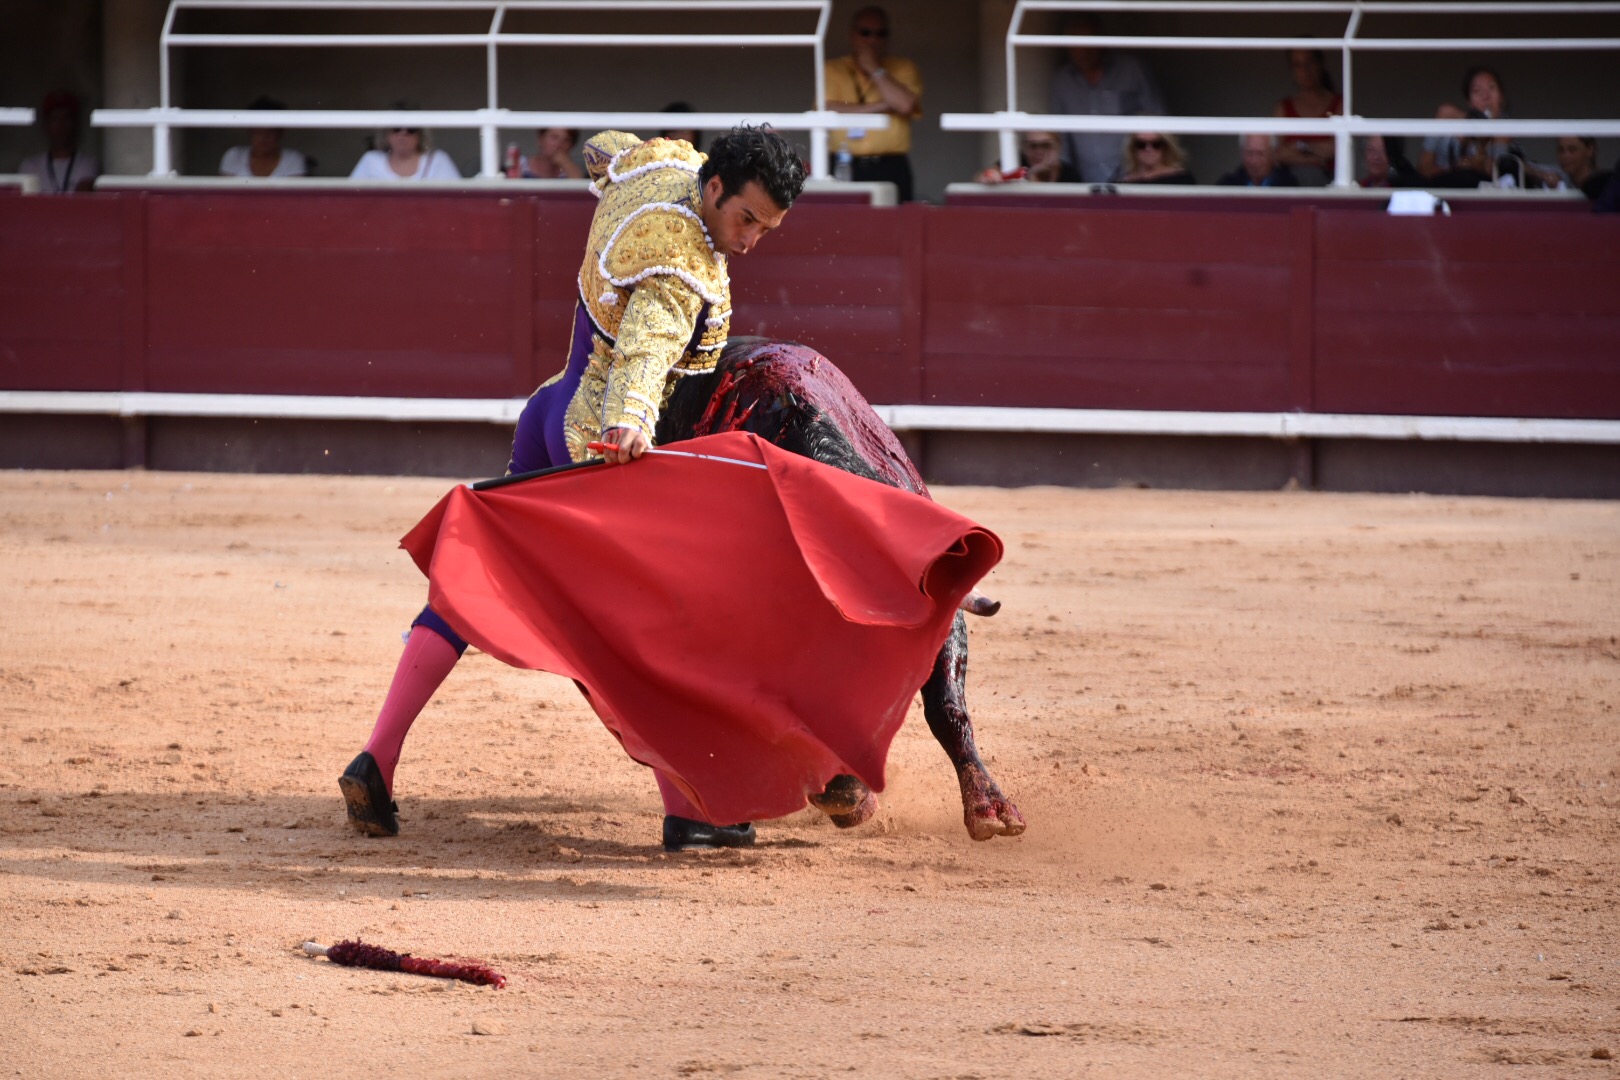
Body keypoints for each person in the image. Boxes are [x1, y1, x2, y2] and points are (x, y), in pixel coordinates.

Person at [340, 125, 807, 852]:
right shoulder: (682, 268)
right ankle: (689, 807)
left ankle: (378, 755)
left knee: (474, 581)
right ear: (715, 187)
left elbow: (602, 149)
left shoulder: (662, 165)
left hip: (547, 411)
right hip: (593, 448)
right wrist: (630, 421)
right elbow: (648, 348)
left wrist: (598, 163)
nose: (749, 242)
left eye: (767, 230)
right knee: (633, 634)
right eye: (746, 219)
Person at [1048, 13, 1165, 184]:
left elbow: (1158, 120)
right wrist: (1067, 179)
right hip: (1085, 182)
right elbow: (1060, 137)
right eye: (1076, 43)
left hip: (1134, 178)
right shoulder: (1061, 81)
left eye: (1089, 42)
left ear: (1101, 40)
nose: (1084, 50)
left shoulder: (1132, 70)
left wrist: (1151, 172)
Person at [824, 6, 923, 202]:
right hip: (843, 162)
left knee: (895, 220)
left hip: (889, 164)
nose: (873, 40)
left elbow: (904, 105)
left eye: (880, 34)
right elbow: (828, 108)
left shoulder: (904, 67)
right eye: (865, 33)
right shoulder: (833, 69)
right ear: (853, 35)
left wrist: (875, 69)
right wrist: (884, 106)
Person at [1418, 66, 1513, 188]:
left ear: (1501, 97)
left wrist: (1478, 158)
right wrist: (1455, 168)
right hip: (1441, 188)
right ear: (1469, 101)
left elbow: (1494, 174)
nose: (1485, 96)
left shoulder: (1503, 130)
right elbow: (1423, 167)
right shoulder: (1447, 114)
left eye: (1491, 88)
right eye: (1477, 91)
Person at [1272, 47, 1342, 186]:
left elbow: (1336, 148)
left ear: (1320, 64)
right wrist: (1317, 159)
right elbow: (1278, 154)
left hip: (1329, 184)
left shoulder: (1339, 104)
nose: (1305, 70)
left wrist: (1300, 146)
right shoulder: (1283, 108)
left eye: (1309, 62)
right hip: (1289, 185)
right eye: (1297, 64)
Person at [18, 90, 99, 194]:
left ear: (75, 123)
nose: (61, 124)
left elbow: (82, 198)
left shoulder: (87, 163)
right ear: (46, 124)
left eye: (66, 118)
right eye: (55, 118)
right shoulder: (30, 166)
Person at [218, 97, 309, 178]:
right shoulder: (234, 156)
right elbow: (225, 191)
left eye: (270, 131)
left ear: (280, 132)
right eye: (258, 131)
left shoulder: (293, 159)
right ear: (250, 130)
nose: (264, 137)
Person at [349, 118, 460, 180]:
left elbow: (456, 200)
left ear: (421, 135)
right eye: (396, 128)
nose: (403, 134)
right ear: (386, 133)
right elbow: (352, 198)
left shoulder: (438, 160)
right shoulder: (371, 160)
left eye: (411, 129)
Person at [974, 130, 1081, 184]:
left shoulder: (1069, 173)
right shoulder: (1017, 162)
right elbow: (985, 175)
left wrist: (1035, 177)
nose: (1039, 151)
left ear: (1058, 147)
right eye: (1033, 146)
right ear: (1024, 148)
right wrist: (990, 176)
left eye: (1046, 145)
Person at [1218, 134, 1299, 188]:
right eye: (1249, 153)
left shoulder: (1288, 187)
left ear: (1273, 154)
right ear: (1242, 153)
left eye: (1261, 154)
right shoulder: (1228, 186)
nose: (1254, 161)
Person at [1115, 130, 1195, 184]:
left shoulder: (1182, 180)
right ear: (1133, 148)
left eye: (1156, 144)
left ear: (1165, 147)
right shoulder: (1124, 183)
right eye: (1141, 144)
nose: (1148, 149)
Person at [518, 127, 583, 179]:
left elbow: (580, 186)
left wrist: (566, 164)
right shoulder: (521, 165)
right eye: (554, 137)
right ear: (540, 139)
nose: (559, 145)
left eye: (566, 140)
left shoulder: (570, 171)